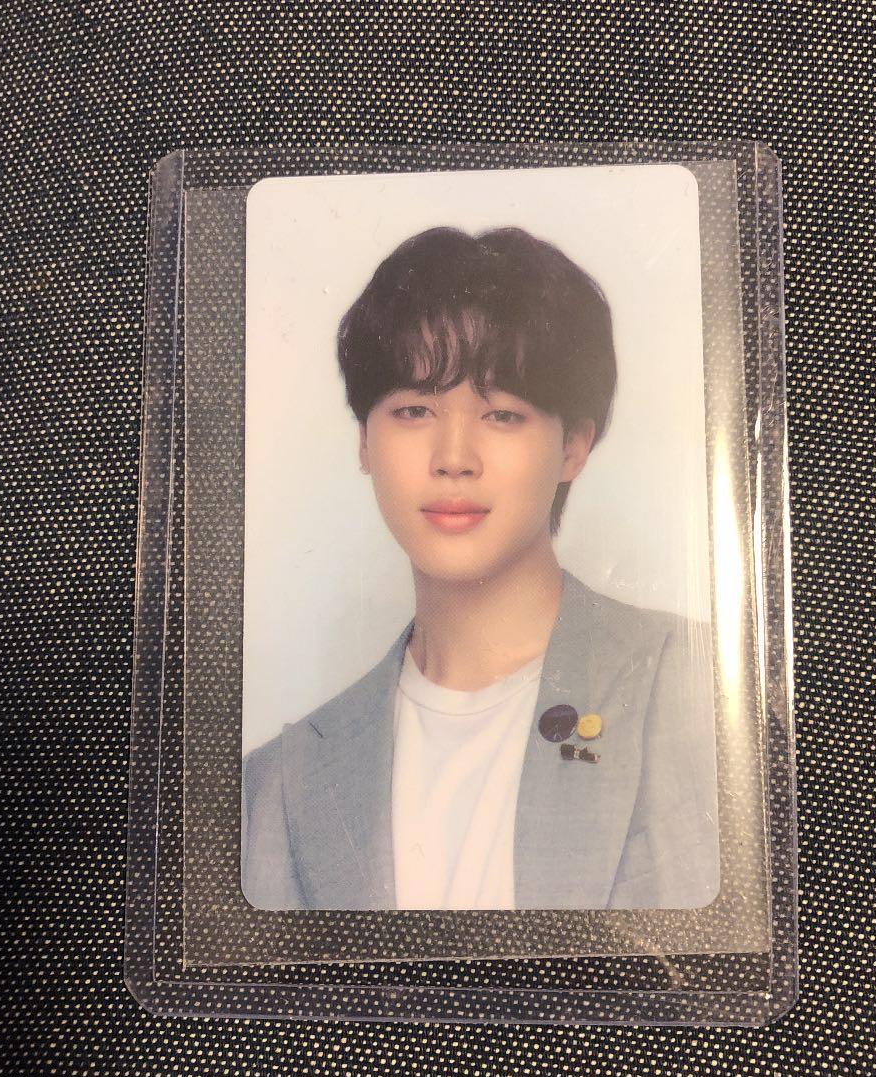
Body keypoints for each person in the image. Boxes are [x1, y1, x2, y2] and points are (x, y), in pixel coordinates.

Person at [241, 226, 719, 911]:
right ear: (365, 442)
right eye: (414, 410)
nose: (453, 458)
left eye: (501, 414)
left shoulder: (699, 689)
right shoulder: (276, 786)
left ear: (574, 447)